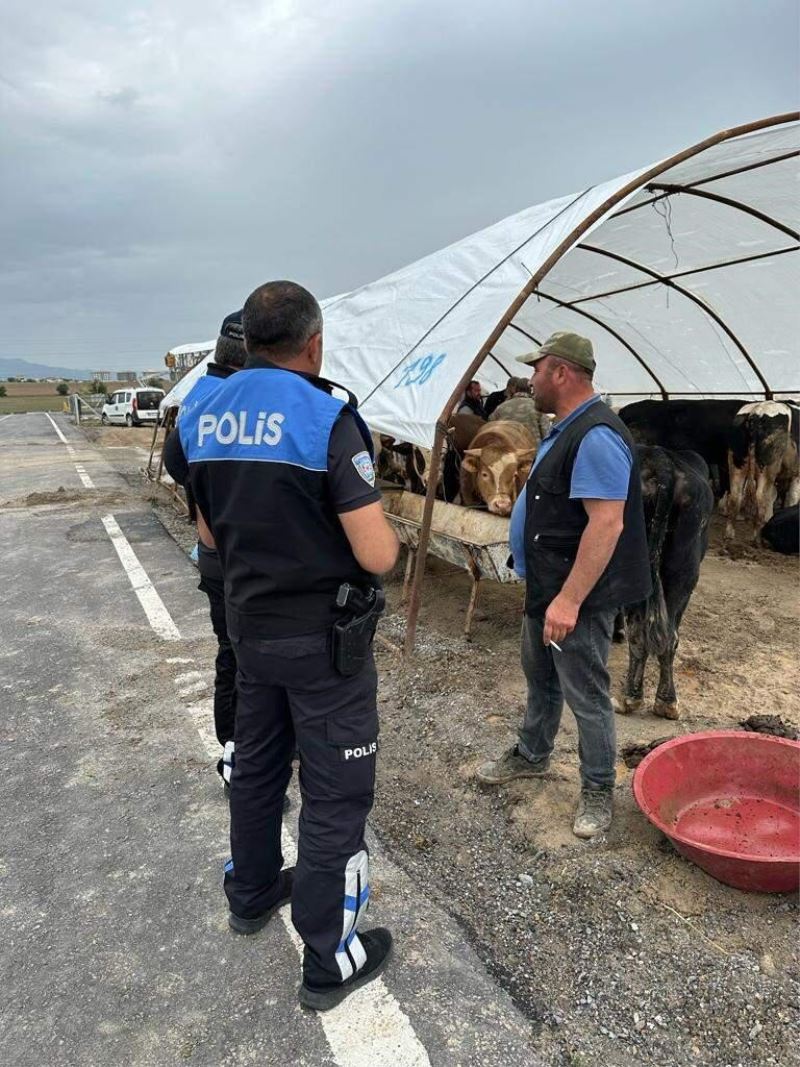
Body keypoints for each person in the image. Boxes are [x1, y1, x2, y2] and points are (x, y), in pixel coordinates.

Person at [171, 280, 399, 1011]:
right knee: (334, 792)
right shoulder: (327, 417)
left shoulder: (202, 413)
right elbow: (377, 556)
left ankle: (251, 890)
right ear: (313, 343)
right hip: (323, 646)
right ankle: (329, 956)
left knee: (259, 765)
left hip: (248, 630)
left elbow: (208, 533)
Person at [476, 332, 650, 838]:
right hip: (547, 585)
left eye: (537, 370)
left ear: (561, 373)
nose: (529, 379)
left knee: (587, 692)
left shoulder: (594, 435)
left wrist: (570, 601)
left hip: (576, 595)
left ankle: (598, 790)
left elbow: (606, 525)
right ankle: (532, 753)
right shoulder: (564, 428)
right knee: (541, 676)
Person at [163, 310, 247, 789]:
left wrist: (204, 503)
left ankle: (234, 749)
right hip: (242, 556)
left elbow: (176, 462)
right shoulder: (235, 397)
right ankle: (242, 755)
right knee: (245, 657)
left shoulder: (197, 396)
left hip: (213, 553)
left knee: (228, 650)